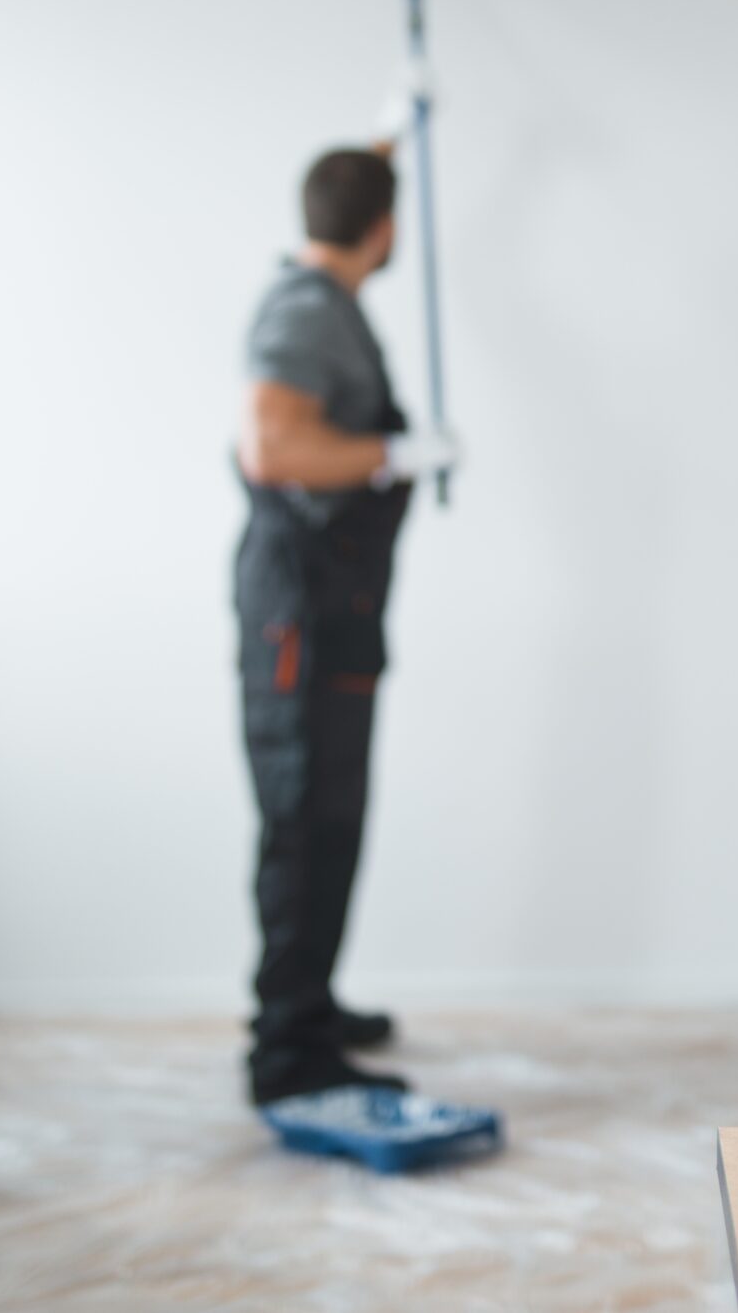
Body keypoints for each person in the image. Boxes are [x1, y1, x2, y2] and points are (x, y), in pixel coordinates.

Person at [232, 144, 459, 1104]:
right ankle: (285, 1047)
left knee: (332, 815)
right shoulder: (305, 311)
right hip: (303, 612)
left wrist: (384, 141)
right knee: (305, 816)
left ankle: (310, 1001)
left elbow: (353, 191)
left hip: (337, 607)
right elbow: (271, 446)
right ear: (387, 230)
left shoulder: (325, 297)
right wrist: (392, 454)